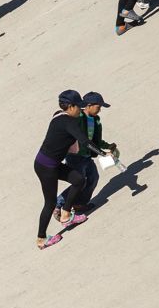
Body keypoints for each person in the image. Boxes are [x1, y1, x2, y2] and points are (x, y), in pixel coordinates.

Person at [34, 90, 104, 250]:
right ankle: (41, 239)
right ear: (71, 107)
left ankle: (66, 215)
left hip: (49, 163)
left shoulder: (60, 116)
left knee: (79, 179)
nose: (80, 110)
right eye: (78, 107)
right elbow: (85, 142)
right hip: (46, 168)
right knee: (49, 203)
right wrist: (102, 154)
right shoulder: (69, 122)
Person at [55, 91, 118, 221]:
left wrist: (108, 145)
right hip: (75, 156)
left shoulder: (96, 120)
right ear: (89, 105)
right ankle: (58, 203)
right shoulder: (77, 117)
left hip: (87, 156)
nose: (99, 110)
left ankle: (79, 204)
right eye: (98, 107)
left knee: (93, 178)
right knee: (80, 182)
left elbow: (96, 140)